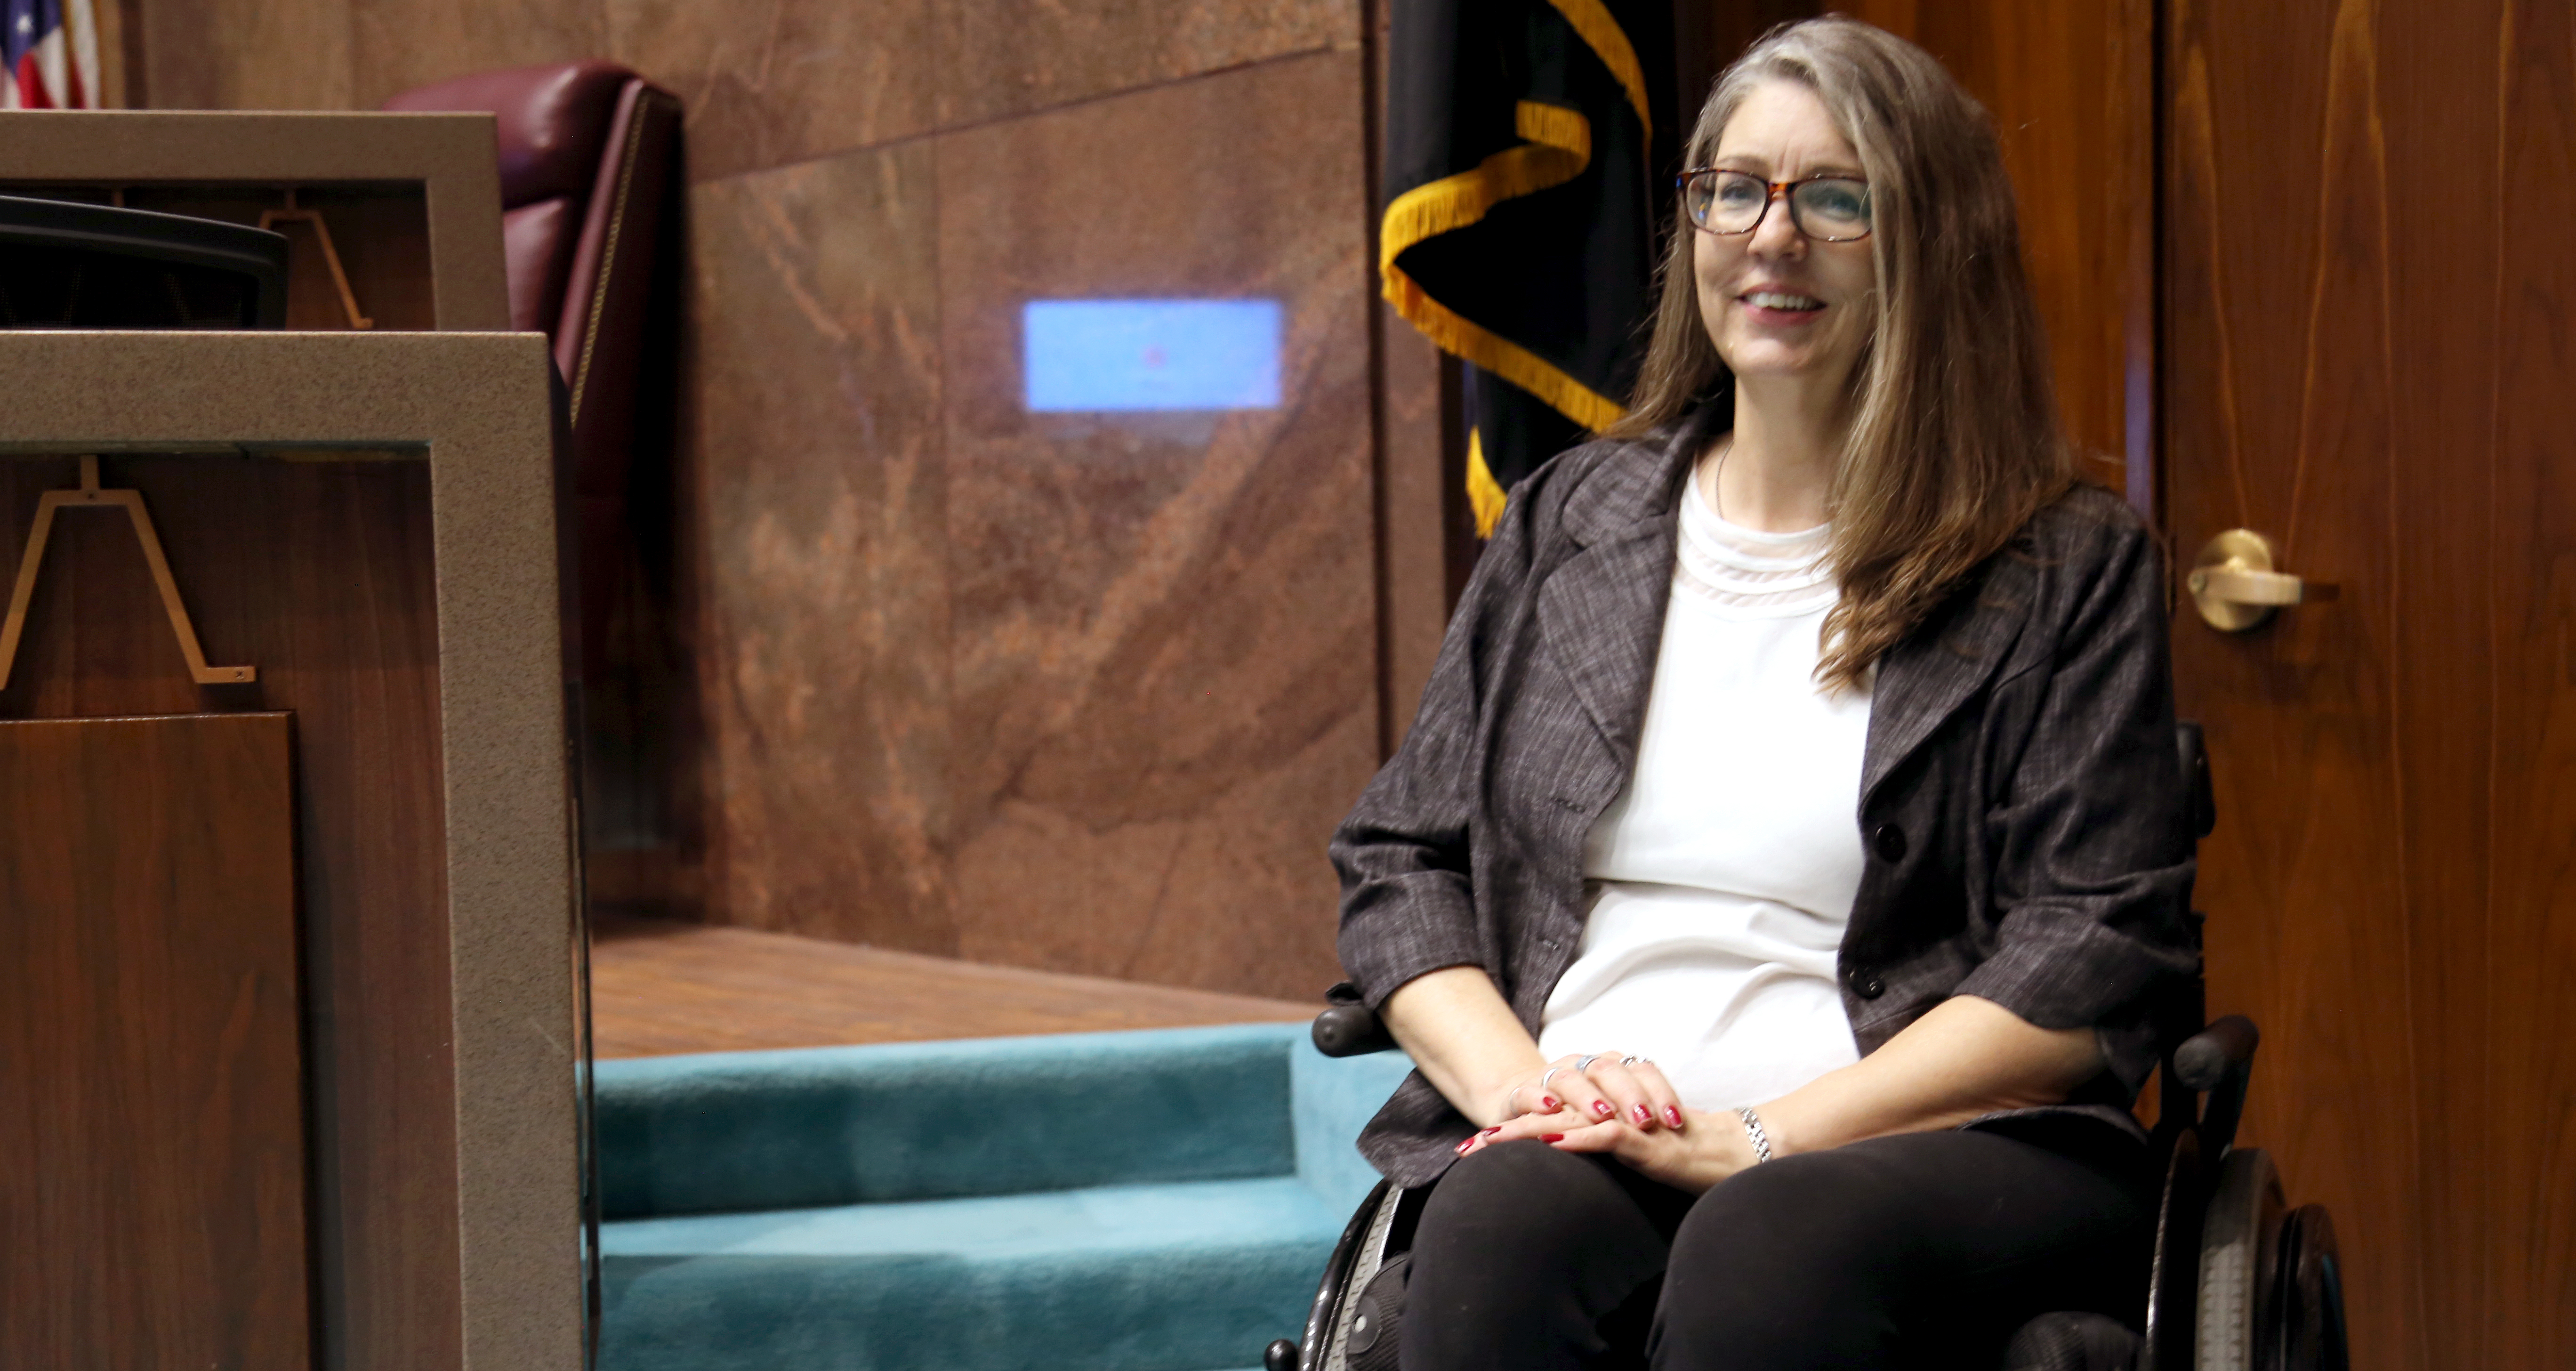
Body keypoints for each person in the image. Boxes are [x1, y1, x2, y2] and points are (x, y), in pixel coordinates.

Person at [1327, 16, 2199, 1370]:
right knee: (1501, 1215)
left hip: (1925, 1150)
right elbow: (1403, 859)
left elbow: (2090, 954)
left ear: (1934, 241)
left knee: (1771, 1240)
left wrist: (1755, 1139)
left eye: (1836, 198)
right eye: (1735, 188)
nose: (1771, 236)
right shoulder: (1575, 519)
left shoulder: (2063, 568)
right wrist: (1529, 1091)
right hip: (1593, 1117)